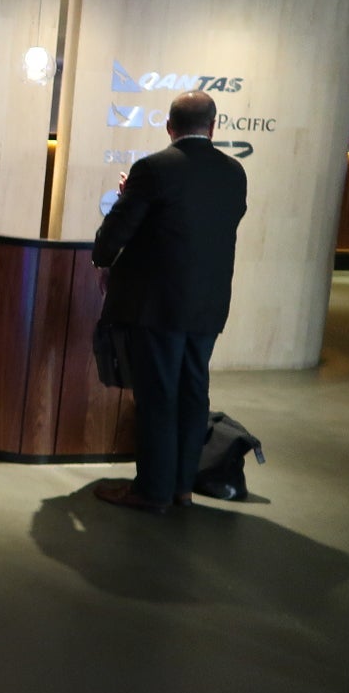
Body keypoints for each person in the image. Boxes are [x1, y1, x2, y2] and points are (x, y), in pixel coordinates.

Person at [91, 90, 248, 512]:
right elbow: (196, 227)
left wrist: (122, 206)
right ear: (213, 126)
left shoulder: (153, 168)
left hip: (156, 304)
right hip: (208, 304)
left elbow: (116, 236)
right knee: (193, 394)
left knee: (158, 397)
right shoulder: (234, 173)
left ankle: (152, 491)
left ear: (169, 126)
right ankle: (181, 487)